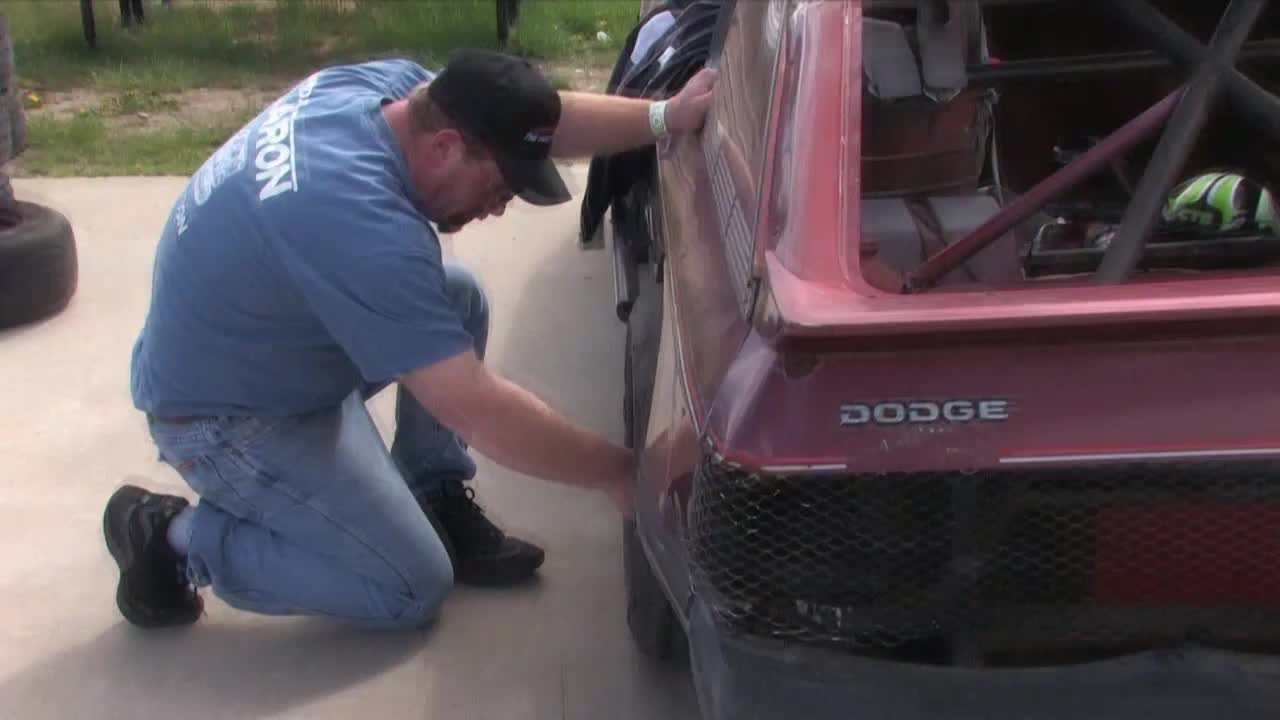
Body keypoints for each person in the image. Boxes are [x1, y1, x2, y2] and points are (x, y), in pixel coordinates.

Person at [104, 48, 717, 630]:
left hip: (262, 343)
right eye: (499, 190)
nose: (498, 210)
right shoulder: (360, 224)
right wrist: (623, 471)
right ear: (446, 148)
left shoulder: (390, 96)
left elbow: (536, 116)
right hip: (229, 421)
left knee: (457, 296)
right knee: (406, 586)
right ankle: (171, 538)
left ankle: (433, 489)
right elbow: (474, 406)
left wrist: (667, 116)